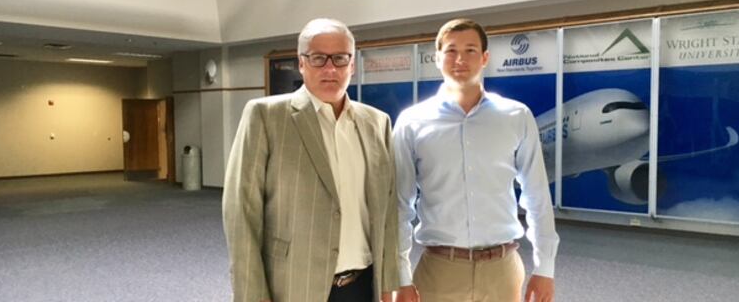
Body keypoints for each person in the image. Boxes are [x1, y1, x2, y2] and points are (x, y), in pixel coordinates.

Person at [222, 18, 400, 302]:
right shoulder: (266, 117)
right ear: (301, 63)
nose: (330, 68)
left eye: (340, 58)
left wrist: (391, 282)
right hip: (293, 285)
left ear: (352, 65)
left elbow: (388, 211)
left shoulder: (377, 123)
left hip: (364, 286)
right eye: (318, 58)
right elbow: (241, 213)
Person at [393, 19, 559, 302]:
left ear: (485, 58)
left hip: (502, 271)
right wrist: (400, 276)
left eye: (470, 50)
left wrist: (546, 268)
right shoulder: (412, 122)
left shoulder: (516, 116)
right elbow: (399, 205)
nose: (460, 59)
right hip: (439, 270)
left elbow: (537, 197)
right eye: (450, 51)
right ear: (437, 58)